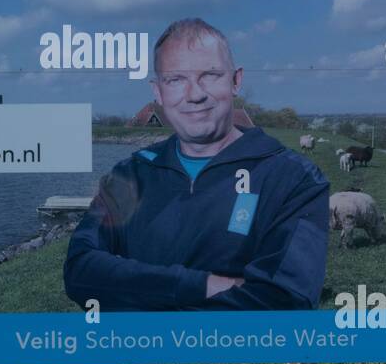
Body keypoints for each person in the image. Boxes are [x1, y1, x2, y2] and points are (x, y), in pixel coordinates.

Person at [64, 18, 329, 311]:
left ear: (236, 80)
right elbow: (80, 272)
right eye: (176, 80)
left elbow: (283, 303)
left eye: (210, 75)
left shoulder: (293, 180)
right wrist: (204, 285)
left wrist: (130, 288)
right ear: (158, 92)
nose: (194, 94)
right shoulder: (130, 176)